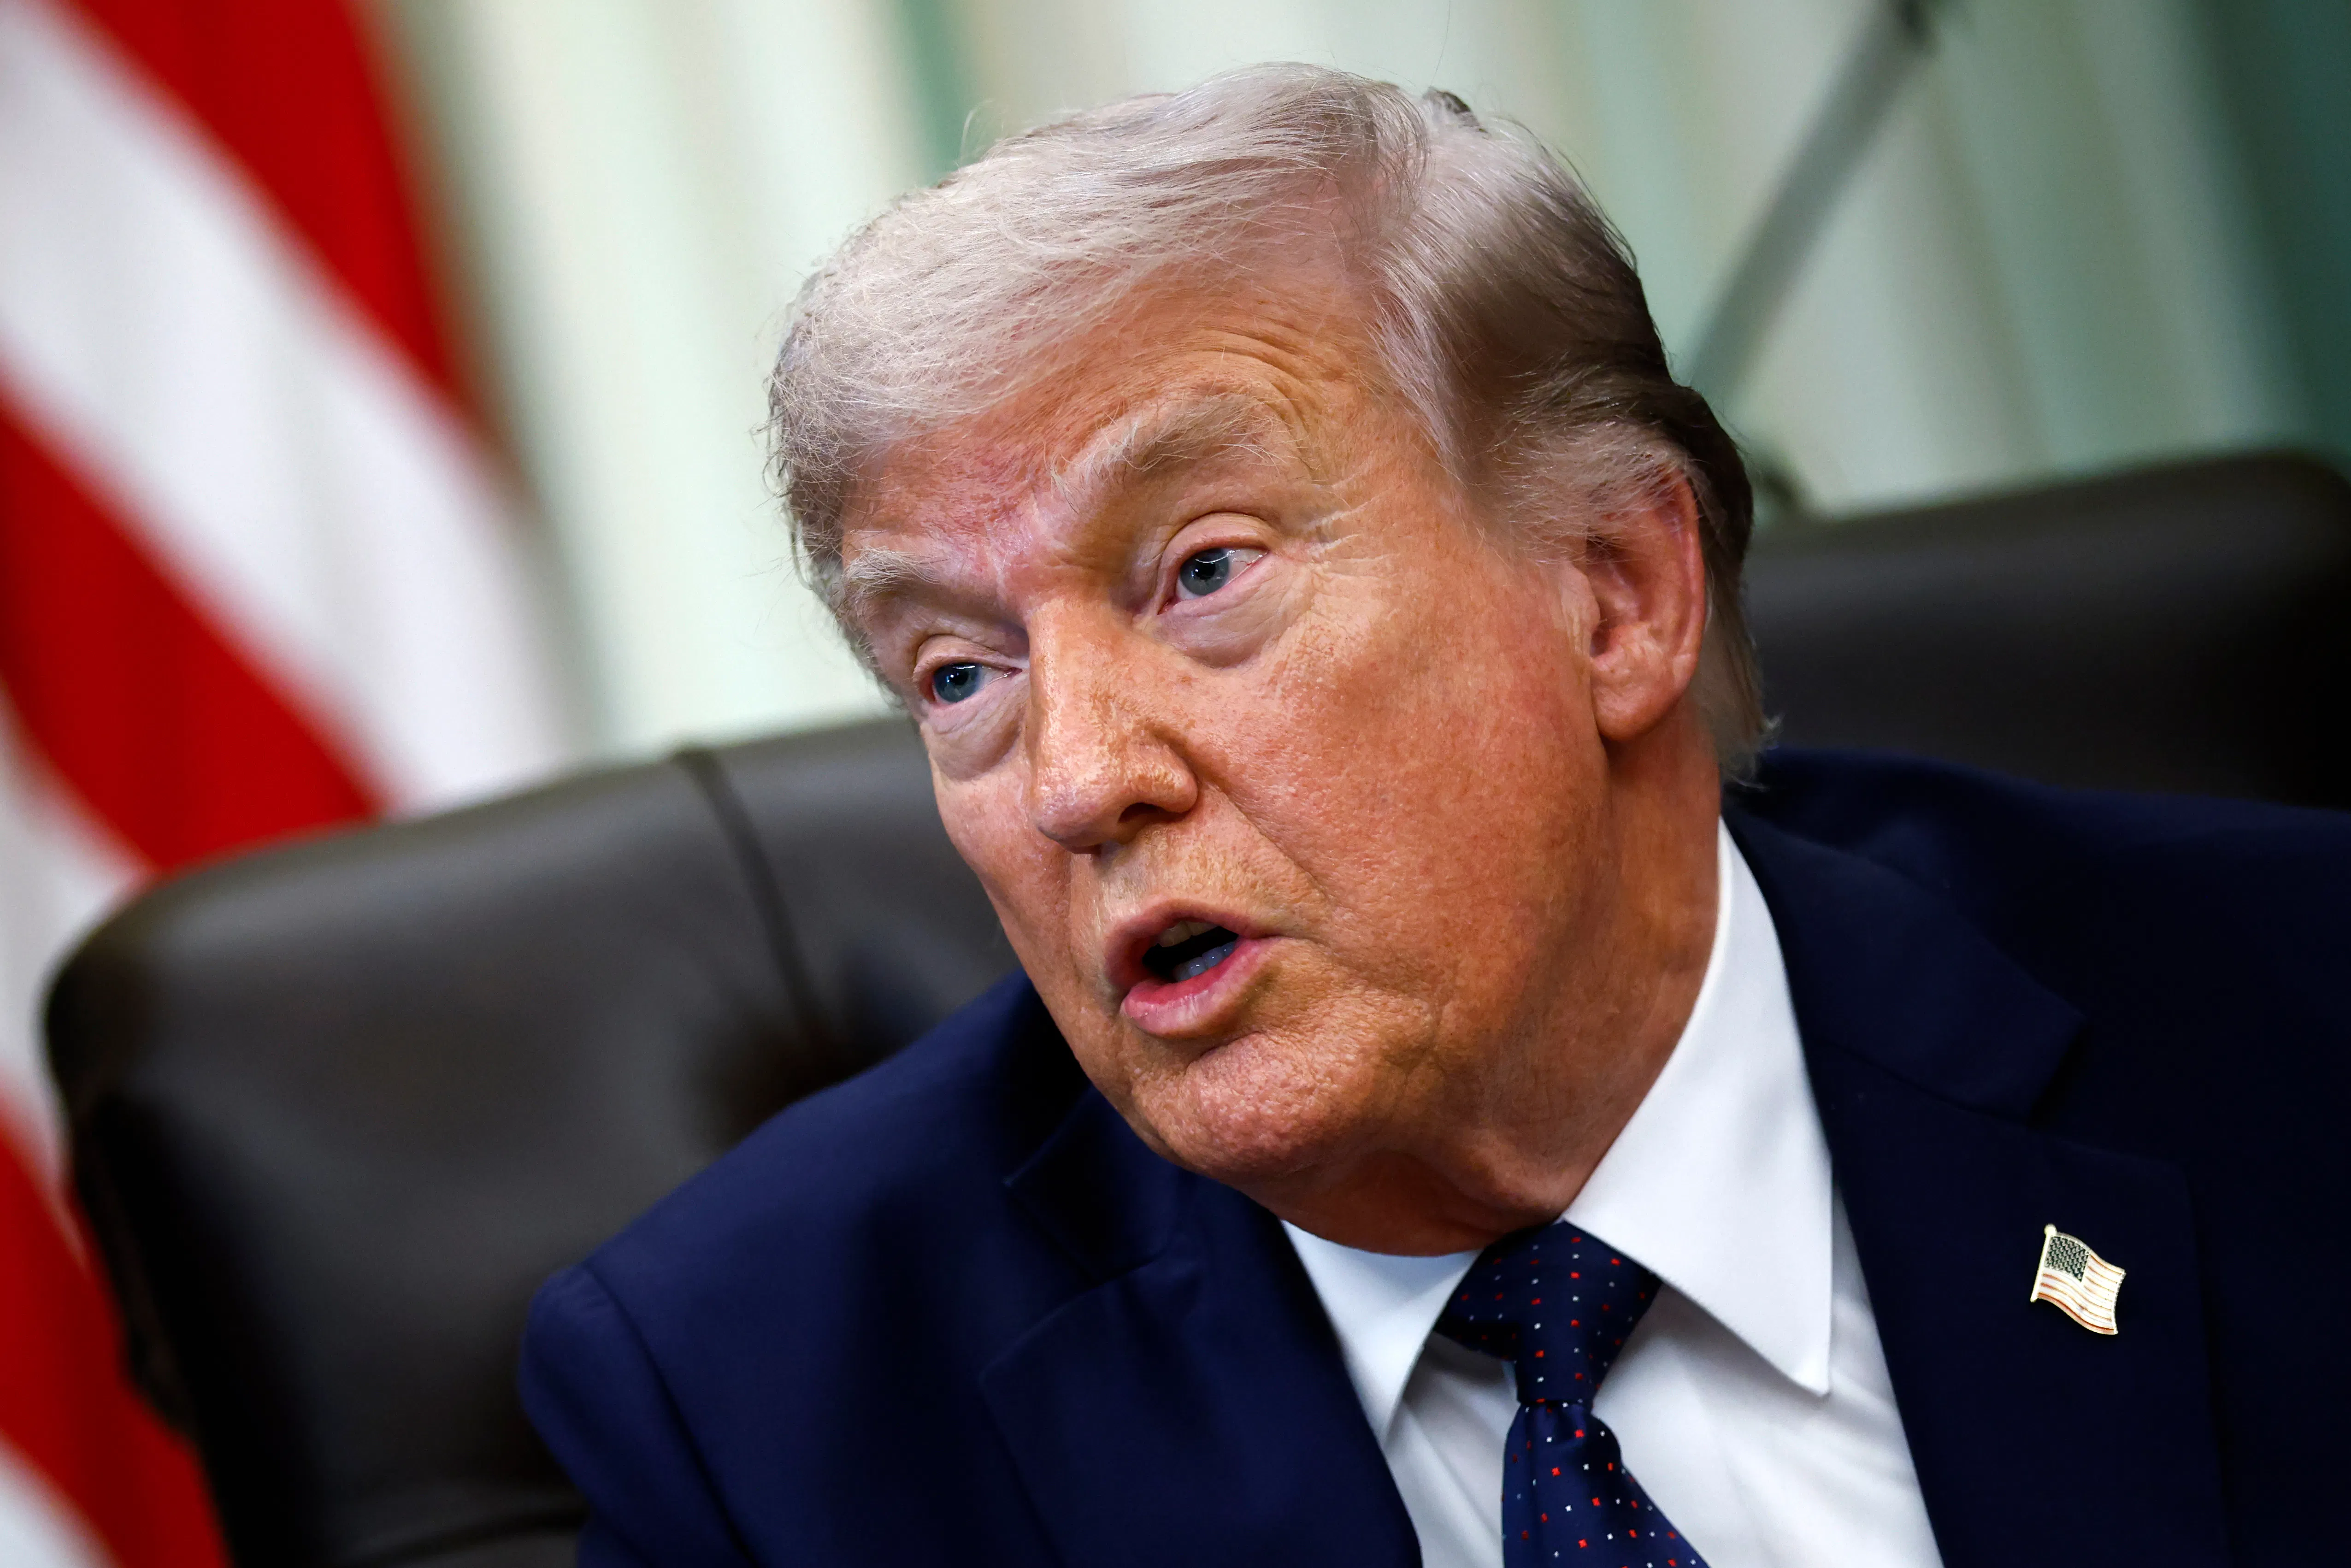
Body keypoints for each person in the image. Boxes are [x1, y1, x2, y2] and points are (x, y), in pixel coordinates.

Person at [519, 66, 2348, 1568]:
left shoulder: (2293, 1022)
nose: (1077, 779)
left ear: (1618, 591)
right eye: (956, 672)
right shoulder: (764, 1417)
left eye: (1201, 572)